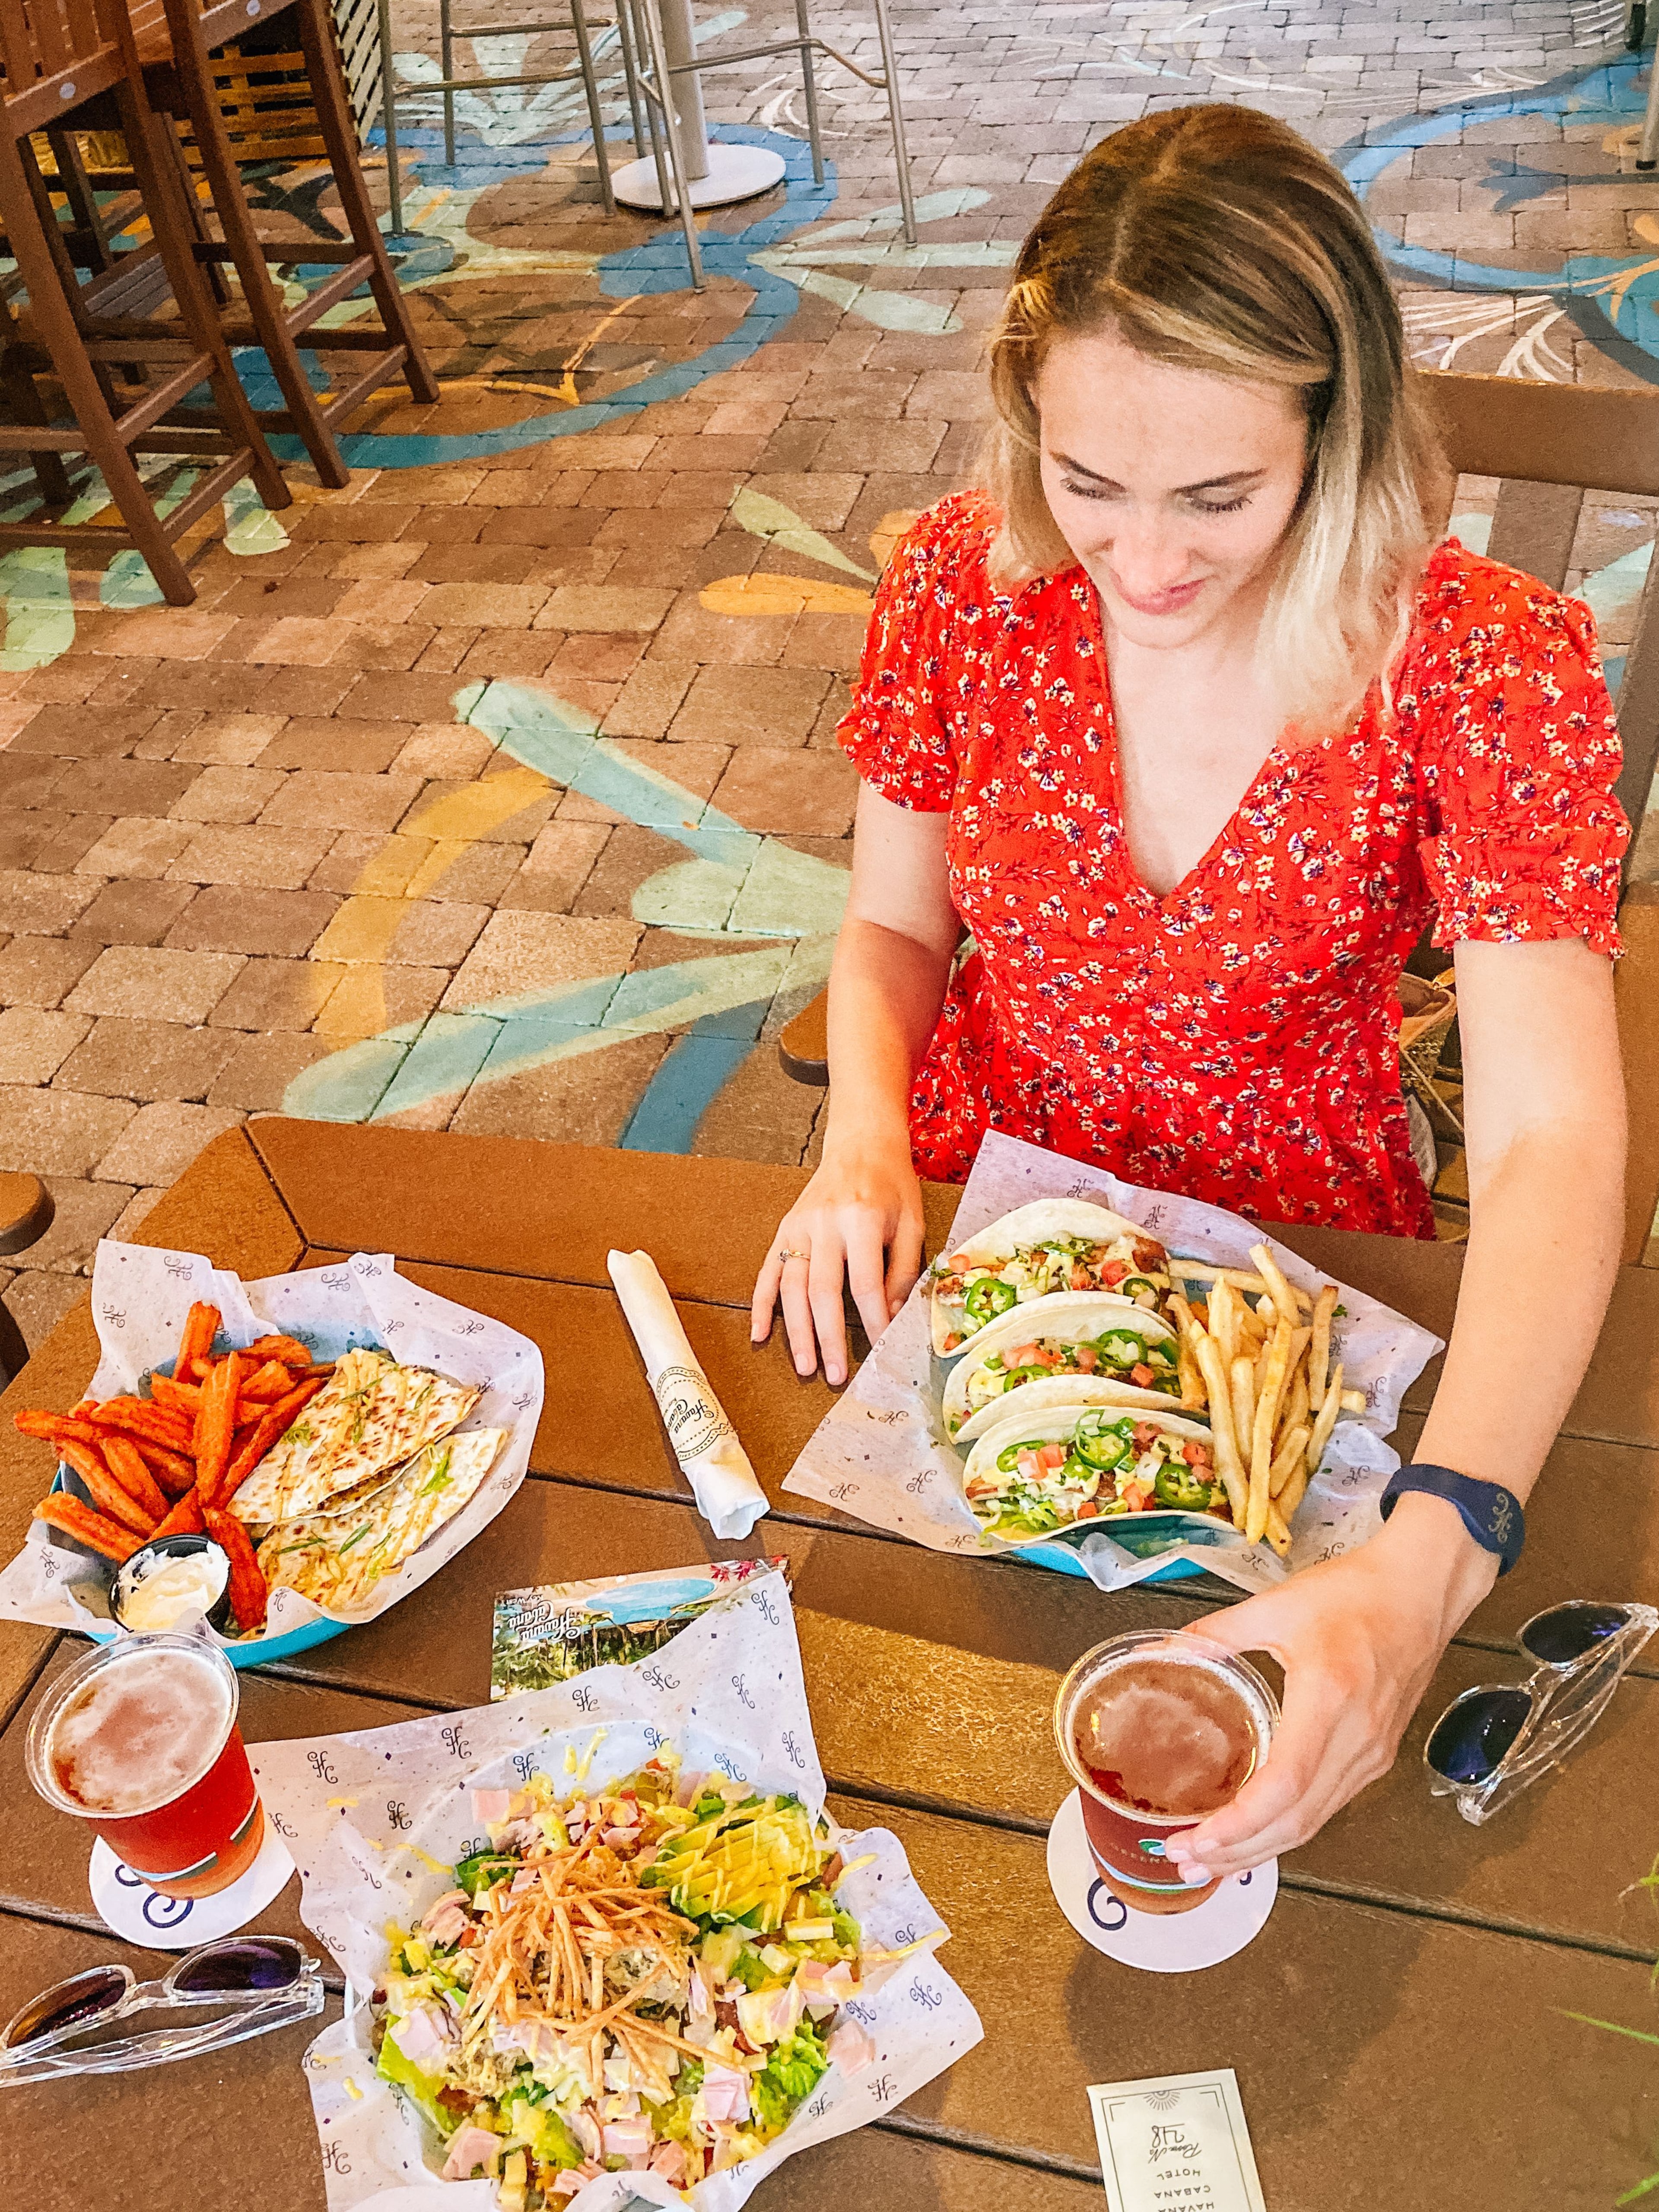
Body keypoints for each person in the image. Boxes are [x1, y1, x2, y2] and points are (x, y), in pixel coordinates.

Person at [750, 105, 1629, 1877]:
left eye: (1219, 495)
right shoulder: (956, 586)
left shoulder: (1473, 658)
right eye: (1090, 480)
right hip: (982, 1190)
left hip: (1306, 1256)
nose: (1141, 564)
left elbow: (1552, 1137)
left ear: (1339, 426)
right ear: (1029, 423)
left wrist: (1436, 1542)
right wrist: (856, 1137)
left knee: (1283, 1778)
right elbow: (894, 934)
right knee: (892, 1734)